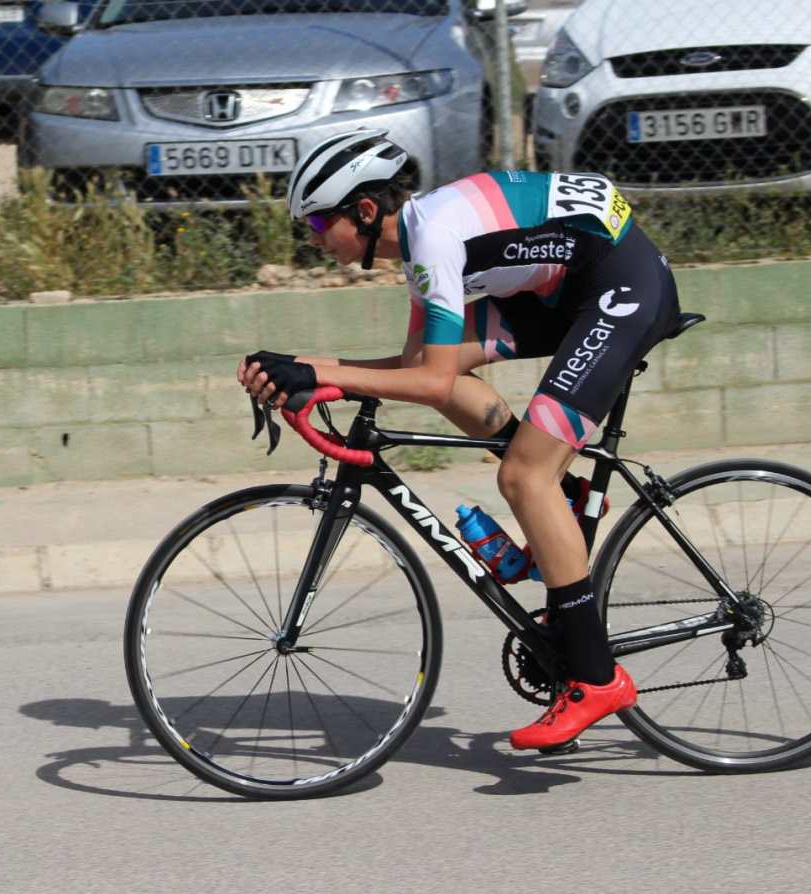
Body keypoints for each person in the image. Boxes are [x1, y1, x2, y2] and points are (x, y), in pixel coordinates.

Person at [237, 129, 680, 751]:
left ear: (364, 211)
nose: (312, 239)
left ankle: (595, 679)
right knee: (467, 402)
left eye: (316, 222)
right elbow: (420, 367)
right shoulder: (424, 237)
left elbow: (429, 380)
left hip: (619, 288)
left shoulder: (435, 239)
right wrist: (303, 367)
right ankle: (564, 496)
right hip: (576, 282)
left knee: (523, 476)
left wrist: (314, 375)